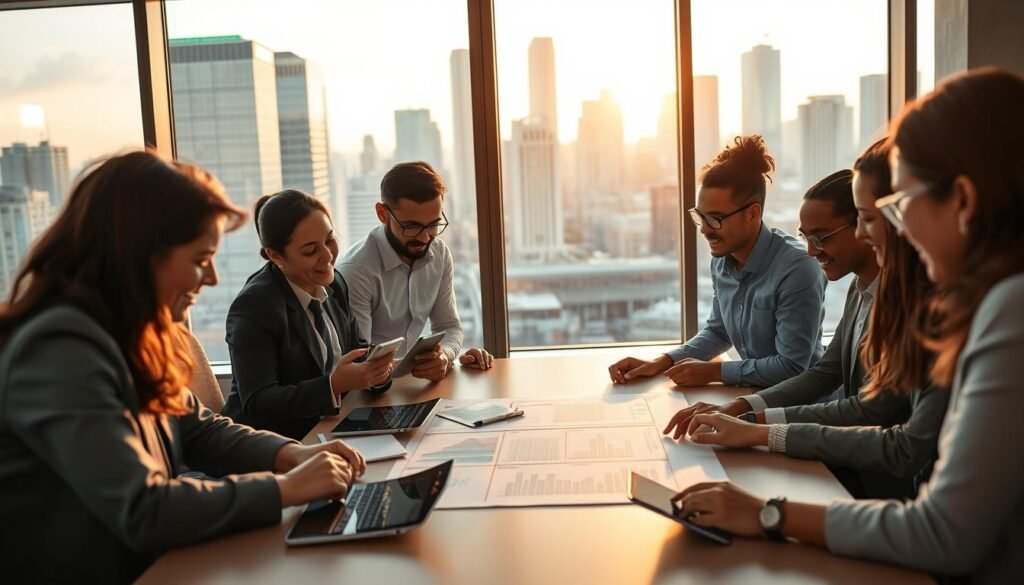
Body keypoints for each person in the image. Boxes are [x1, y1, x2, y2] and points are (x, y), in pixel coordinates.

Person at [671, 68, 1024, 582]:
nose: (882, 233)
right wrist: (752, 419)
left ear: (964, 201)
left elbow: (940, 529)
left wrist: (768, 511)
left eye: (896, 208)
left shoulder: (1006, 310)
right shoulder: (982, 302)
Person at [0, 152, 366, 583]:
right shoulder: (58, 348)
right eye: (199, 259)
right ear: (139, 254)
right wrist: (288, 488)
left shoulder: (128, 331)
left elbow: (199, 426)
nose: (211, 277)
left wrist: (295, 455)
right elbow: (143, 508)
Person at [665, 140, 949, 500]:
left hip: (883, 488)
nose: (811, 250)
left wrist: (757, 426)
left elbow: (877, 418)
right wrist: (742, 408)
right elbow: (826, 372)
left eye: (822, 237)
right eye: (806, 237)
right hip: (850, 464)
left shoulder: (917, 306)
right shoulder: (861, 288)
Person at [609, 135, 825, 388]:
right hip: (751, 397)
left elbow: (791, 366)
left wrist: (713, 373)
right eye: (700, 217)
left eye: (715, 219)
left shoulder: (798, 268)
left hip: (800, 407)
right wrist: (660, 362)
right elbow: (719, 332)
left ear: (753, 213)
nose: (704, 230)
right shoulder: (723, 260)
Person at [222, 189, 393, 440]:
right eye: (310, 250)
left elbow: (357, 351)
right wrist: (333, 386)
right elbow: (258, 404)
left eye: (330, 240)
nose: (327, 256)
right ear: (275, 255)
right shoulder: (254, 306)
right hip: (275, 445)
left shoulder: (334, 284)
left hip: (332, 428)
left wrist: (378, 372)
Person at [339, 161, 493, 382]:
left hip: (414, 388)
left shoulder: (439, 253)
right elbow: (362, 361)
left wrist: (445, 357)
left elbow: (449, 326)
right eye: (411, 226)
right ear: (382, 214)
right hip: (368, 395)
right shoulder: (357, 272)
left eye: (433, 225)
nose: (424, 237)